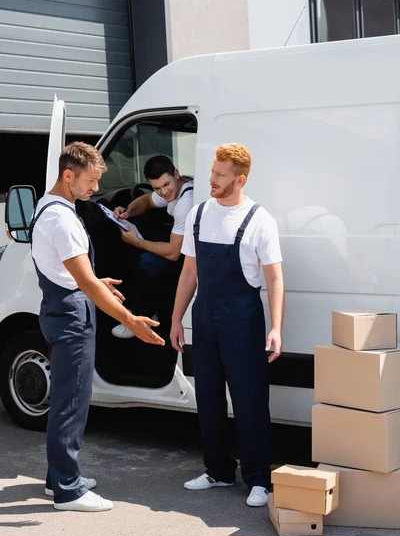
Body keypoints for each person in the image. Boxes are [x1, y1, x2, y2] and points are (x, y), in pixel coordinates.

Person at [30, 142, 164, 512]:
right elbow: (84, 283)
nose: (94, 189)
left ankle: (56, 477)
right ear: (68, 175)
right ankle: (68, 490)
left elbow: (75, 274)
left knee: (67, 398)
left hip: (62, 303)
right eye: (90, 181)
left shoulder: (51, 206)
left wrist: (93, 281)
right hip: (71, 312)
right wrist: (130, 320)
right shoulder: (61, 219)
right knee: (70, 401)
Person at [170, 142, 284, 508]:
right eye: (212, 172)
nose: (211, 180)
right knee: (208, 397)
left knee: (250, 400)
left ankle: (259, 479)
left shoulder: (260, 220)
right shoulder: (199, 215)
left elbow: (275, 279)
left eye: (219, 175)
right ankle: (218, 471)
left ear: (240, 179)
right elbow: (190, 272)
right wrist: (177, 319)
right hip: (204, 317)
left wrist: (276, 327)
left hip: (243, 318)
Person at [111, 155, 193, 339]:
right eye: (158, 187)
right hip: (186, 250)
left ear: (176, 174)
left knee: (147, 262)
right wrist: (127, 213)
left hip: (191, 262)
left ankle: (142, 316)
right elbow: (147, 200)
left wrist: (137, 242)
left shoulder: (185, 203)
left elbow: (173, 253)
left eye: (166, 185)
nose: (163, 192)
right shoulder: (176, 186)